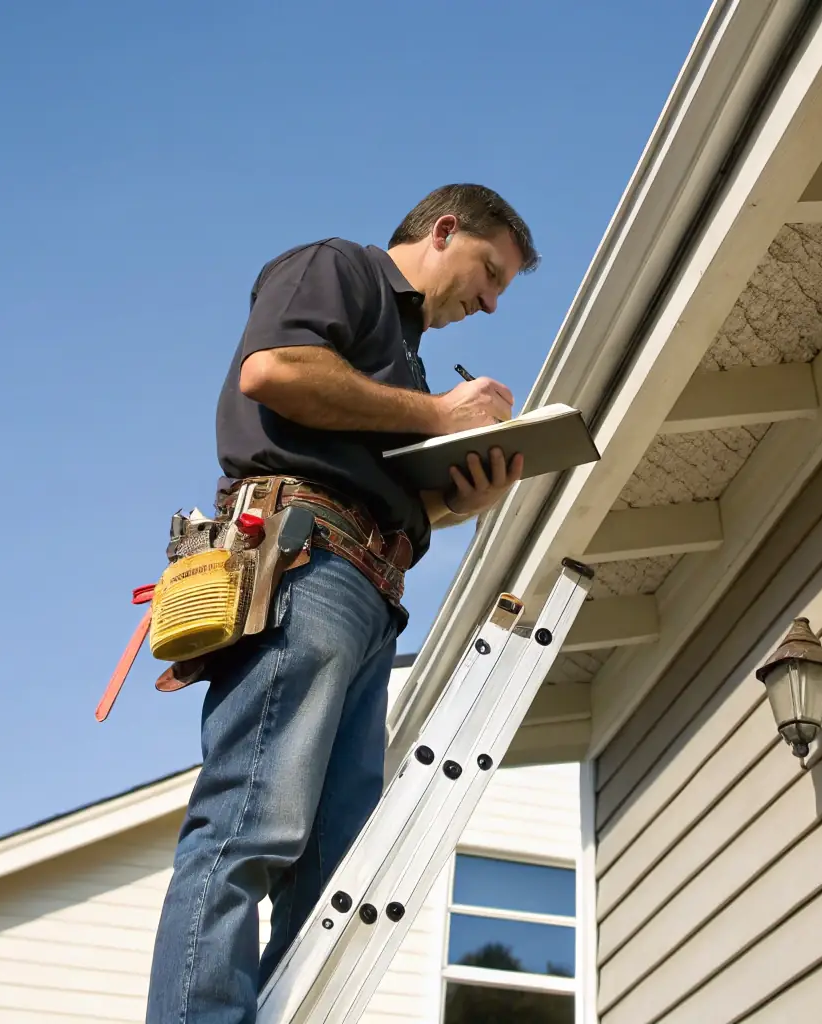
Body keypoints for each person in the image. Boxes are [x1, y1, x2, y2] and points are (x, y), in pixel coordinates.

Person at [145, 183, 538, 1023]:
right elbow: (275, 369)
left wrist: (458, 498)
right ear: (443, 230)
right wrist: (435, 414)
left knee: (332, 871)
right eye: (491, 272)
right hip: (308, 566)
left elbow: (376, 486)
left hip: (367, 591)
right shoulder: (338, 270)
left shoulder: (407, 356)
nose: (492, 301)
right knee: (250, 823)